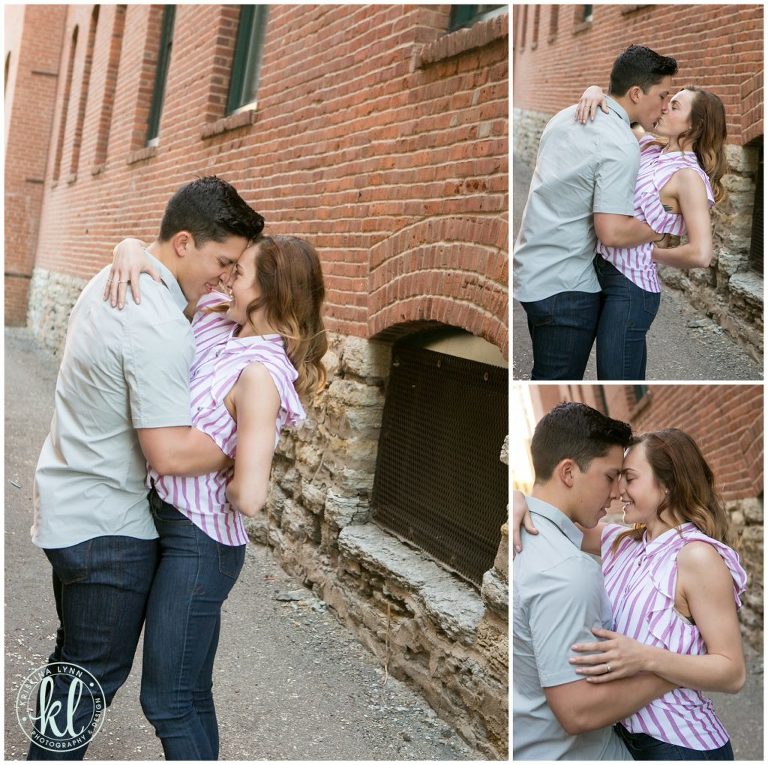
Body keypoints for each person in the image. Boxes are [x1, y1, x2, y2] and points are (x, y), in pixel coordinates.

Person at [29, 176, 264, 759]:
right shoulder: (155, 322)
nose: (228, 278)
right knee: (88, 679)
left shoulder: (119, 279)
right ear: (184, 243)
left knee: (74, 665)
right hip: (108, 529)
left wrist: (129, 243)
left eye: (238, 268)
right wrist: (250, 442)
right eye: (224, 261)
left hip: (72, 507)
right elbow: (168, 455)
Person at [105, 234, 327, 759]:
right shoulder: (220, 320)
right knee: (191, 694)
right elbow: (168, 272)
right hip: (168, 523)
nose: (228, 278)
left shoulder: (261, 374)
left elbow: (250, 495)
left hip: (200, 545)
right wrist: (131, 247)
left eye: (242, 273)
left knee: (167, 700)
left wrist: (225, 461)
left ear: (269, 291)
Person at [515, 427, 747, 760]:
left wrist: (646, 658)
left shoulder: (696, 556)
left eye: (630, 478)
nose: (618, 490)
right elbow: (554, 513)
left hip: (681, 747)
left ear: (667, 485)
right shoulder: (622, 543)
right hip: (624, 740)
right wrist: (517, 499)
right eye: (617, 477)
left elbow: (733, 671)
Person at [513, 402, 678, 760]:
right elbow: (577, 711)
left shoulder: (520, 533)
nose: (618, 492)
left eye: (626, 478)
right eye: (610, 476)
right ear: (568, 472)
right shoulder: (568, 570)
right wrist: (672, 672)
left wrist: (515, 498)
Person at [513, 45, 678, 380]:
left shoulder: (564, 117)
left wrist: (593, 90)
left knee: (546, 375)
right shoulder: (620, 145)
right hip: (567, 288)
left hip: (532, 271)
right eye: (662, 96)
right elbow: (612, 232)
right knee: (554, 382)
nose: (664, 107)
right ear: (636, 92)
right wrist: (657, 228)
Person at [576, 84, 727, 379]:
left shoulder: (688, 177)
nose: (665, 107)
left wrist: (653, 252)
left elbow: (701, 253)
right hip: (599, 269)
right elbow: (615, 120)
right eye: (667, 101)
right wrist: (595, 91)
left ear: (694, 126)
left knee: (615, 378)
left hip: (631, 289)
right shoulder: (649, 146)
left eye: (675, 106)